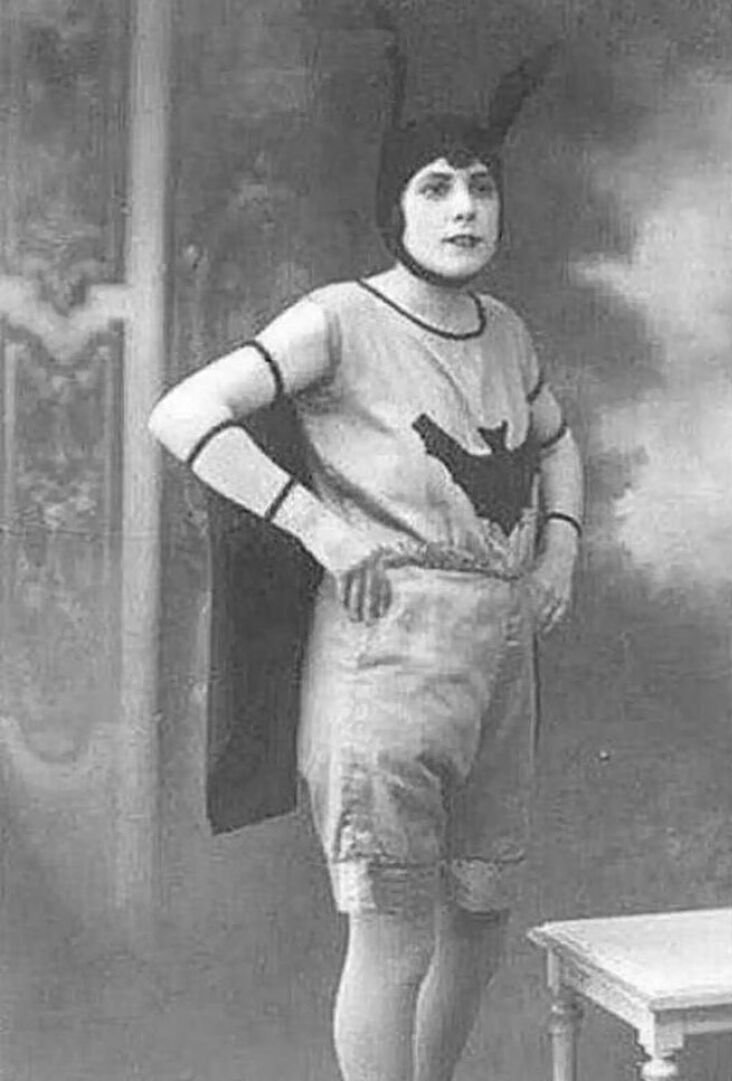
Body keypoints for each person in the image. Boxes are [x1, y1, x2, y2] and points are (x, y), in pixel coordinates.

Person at [148, 35, 583, 1081]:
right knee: (394, 933)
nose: (463, 208)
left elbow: (556, 442)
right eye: (436, 187)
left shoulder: (507, 333)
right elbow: (183, 411)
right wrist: (315, 522)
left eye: (480, 186)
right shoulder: (340, 319)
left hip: (497, 654)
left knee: (479, 913)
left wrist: (559, 547)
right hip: (384, 651)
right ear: (398, 204)